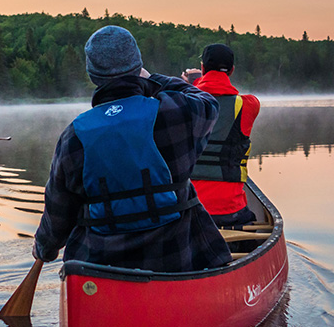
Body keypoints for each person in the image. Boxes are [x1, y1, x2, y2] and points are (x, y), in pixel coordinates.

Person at [33, 26, 232, 272]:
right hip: (177, 259)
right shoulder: (177, 112)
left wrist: (44, 249)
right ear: (138, 67)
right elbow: (207, 101)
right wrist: (153, 78)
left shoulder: (73, 136)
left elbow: (57, 214)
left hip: (98, 266)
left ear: (92, 75)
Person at [183, 44, 260, 227]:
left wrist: (194, 83)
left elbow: (202, 96)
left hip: (191, 209)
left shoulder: (182, 103)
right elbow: (222, 97)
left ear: (203, 68)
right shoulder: (248, 105)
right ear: (232, 71)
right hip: (232, 212)